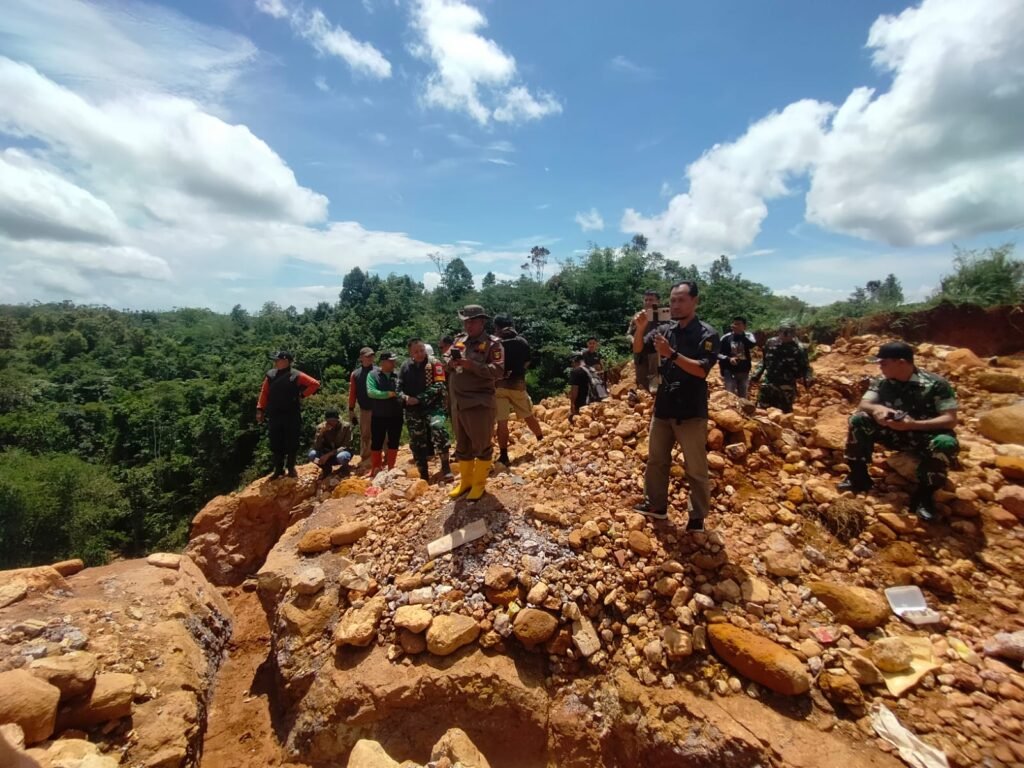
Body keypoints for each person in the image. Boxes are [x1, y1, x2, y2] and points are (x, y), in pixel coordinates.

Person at [838, 341, 959, 522]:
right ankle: (858, 476)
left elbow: (950, 419)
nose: (880, 367)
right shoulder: (882, 382)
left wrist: (913, 424)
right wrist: (878, 411)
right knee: (859, 419)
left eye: (884, 363)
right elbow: (864, 404)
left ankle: (924, 498)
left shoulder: (936, 384)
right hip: (893, 432)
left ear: (901, 363)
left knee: (945, 443)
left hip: (922, 435)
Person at [631, 281, 718, 530]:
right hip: (664, 407)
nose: (675, 305)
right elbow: (638, 349)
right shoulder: (665, 330)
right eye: (673, 300)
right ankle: (656, 505)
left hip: (691, 411)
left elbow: (702, 370)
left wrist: (672, 355)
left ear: (695, 301)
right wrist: (640, 329)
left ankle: (697, 517)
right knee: (657, 461)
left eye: (681, 300)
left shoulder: (707, 334)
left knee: (695, 467)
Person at [446, 305, 505, 500]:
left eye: (472, 321)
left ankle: (479, 485)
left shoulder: (493, 344)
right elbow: (446, 361)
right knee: (462, 445)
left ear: (482, 322)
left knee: (482, 445)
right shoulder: (459, 341)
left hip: (479, 402)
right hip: (458, 403)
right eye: (465, 321)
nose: (468, 325)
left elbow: (497, 371)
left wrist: (472, 365)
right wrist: (451, 363)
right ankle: (466, 482)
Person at [256, 351, 320, 479]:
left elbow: (314, 384)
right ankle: (278, 469)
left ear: (286, 361)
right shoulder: (270, 375)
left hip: (291, 414)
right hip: (275, 414)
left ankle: (291, 468)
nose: (275, 362)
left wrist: (302, 395)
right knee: (275, 442)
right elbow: (264, 393)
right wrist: (260, 409)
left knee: (292, 441)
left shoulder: (296, 375)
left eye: (278, 360)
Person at [399, 338, 452, 481]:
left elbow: (440, 385)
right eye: (416, 351)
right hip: (413, 409)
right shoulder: (405, 367)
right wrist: (405, 398)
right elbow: (398, 388)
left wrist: (420, 398)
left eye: (422, 350)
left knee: (439, 430)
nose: (420, 354)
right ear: (410, 352)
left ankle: (446, 468)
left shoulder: (434, 363)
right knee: (417, 441)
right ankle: (423, 474)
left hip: (433, 406)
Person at [493, 315, 544, 466]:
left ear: (497, 327)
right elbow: (527, 361)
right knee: (528, 414)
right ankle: (541, 440)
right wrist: (519, 371)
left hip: (499, 385)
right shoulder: (522, 341)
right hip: (517, 384)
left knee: (502, 422)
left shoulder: (496, 343)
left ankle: (503, 456)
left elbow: (492, 364)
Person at [750, 321, 812, 413]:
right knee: (761, 411)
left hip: (786, 387)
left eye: (788, 332)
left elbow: (805, 367)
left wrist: (807, 380)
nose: (785, 334)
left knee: (784, 413)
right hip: (769, 383)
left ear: (794, 333)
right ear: (779, 331)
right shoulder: (770, 343)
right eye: (783, 331)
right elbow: (764, 361)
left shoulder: (799, 348)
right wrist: (756, 375)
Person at [366, 352, 403, 476]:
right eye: (391, 361)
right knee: (376, 442)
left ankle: (391, 467)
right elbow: (371, 392)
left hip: (396, 414)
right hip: (379, 414)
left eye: (394, 361)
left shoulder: (398, 374)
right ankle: (376, 468)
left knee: (394, 441)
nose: (393, 363)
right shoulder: (373, 375)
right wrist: (388, 394)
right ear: (382, 362)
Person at [627, 290, 662, 392]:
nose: (648, 302)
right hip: (641, 355)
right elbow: (628, 334)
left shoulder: (663, 315)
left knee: (657, 386)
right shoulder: (638, 316)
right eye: (646, 300)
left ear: (658, 302)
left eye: (651, 300)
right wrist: (634, 341)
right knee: (642, 385)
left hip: (657, 355)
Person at [348, 347, 376, 466]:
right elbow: (352, 392)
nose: (370, 358)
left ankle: (384, 457)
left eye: (372, 356)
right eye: (367, 356)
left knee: (383, 434)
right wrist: (351, 409)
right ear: (361, 358)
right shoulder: (356, 374)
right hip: (364, 409)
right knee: (365, 434)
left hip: (379, 407)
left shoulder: (378, 371)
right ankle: (366, 457)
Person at [718, 316, 757, 399]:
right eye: (735, 324)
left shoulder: (748, 335)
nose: (736, 326)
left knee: (743, 396)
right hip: (729, 371)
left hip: (744, 371)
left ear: (744, 326)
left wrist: (741, 334)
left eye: (738, 324)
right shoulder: (726, 338)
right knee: (730, 396)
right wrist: (728, 359)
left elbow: (752, 345)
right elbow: (717, 353)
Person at [308, 410, 354, 479]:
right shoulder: (321, 427)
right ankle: (326, 468)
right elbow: (316, 447)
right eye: (329, 421)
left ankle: (344, 469)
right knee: (312, 455)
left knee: (342, 457)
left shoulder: (345, 427)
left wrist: (329, 454)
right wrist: (321, 433)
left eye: (334, 421)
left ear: (338, 419)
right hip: (326, 455)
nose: (332, 423)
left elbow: (346, 445)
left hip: (340, 453)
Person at [567, 353, 591, 425]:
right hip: (593, 399)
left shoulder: (576, 371)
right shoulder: (590, 369)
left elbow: (574, 390)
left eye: (572, 362)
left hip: (582, 402)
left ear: (575, 361)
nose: (572, 364)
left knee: (577, 421)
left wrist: (572, 404)